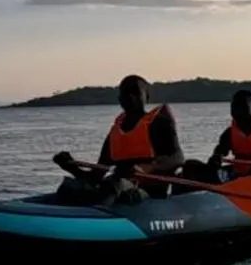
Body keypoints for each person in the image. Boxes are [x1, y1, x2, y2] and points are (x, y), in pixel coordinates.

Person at [52, 74, 185, 204]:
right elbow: (95, 177)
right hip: (114, 189)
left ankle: (98, 216)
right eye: (125, 93)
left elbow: (178, 158)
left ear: (147, 97)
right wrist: (71, 167)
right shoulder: (115, 133)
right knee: (70, 187)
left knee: (117, 186)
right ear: (120, 99)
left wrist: (146, 168)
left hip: (148, 194)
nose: (130, 97)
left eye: (135, 93)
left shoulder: (159, 124)